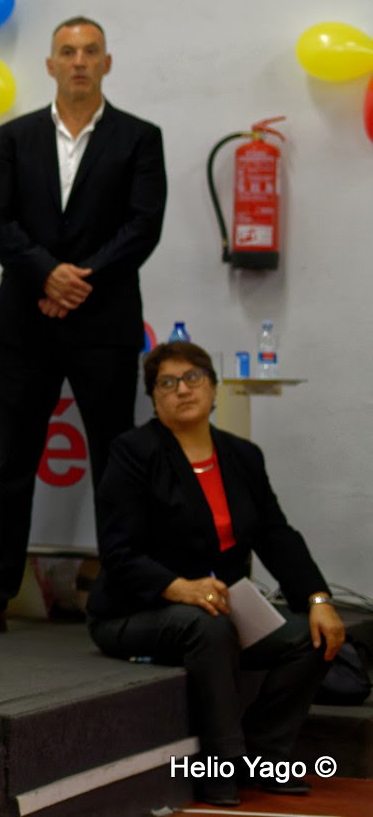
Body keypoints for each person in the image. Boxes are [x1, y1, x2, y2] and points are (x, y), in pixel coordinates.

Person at [0, 16, 166, 637]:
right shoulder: (15, 137)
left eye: (90, 51)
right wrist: (47, 275)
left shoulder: (139, 139)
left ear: (107, 62)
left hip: (104, 324)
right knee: (13, 462)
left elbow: (142, 226)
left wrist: (77, 281)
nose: (78, 61)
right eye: (67, 51)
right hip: (23, 324)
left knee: (114, 462)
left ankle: (121, 591)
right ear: (49, 65)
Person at [88, 342, 344, 806]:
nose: (182, 390)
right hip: (136, 610)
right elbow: (118, 552)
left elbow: (276, 535)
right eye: (167, 383)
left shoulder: (243, 456)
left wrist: (318, 599)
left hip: (220, 605)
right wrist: (180, 587)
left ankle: (264, 756)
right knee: (209, 626)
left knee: (314, 636)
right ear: (154, 398)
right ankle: (219, 767)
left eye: (193, 378)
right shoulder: (133, 452)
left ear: (213, 388)